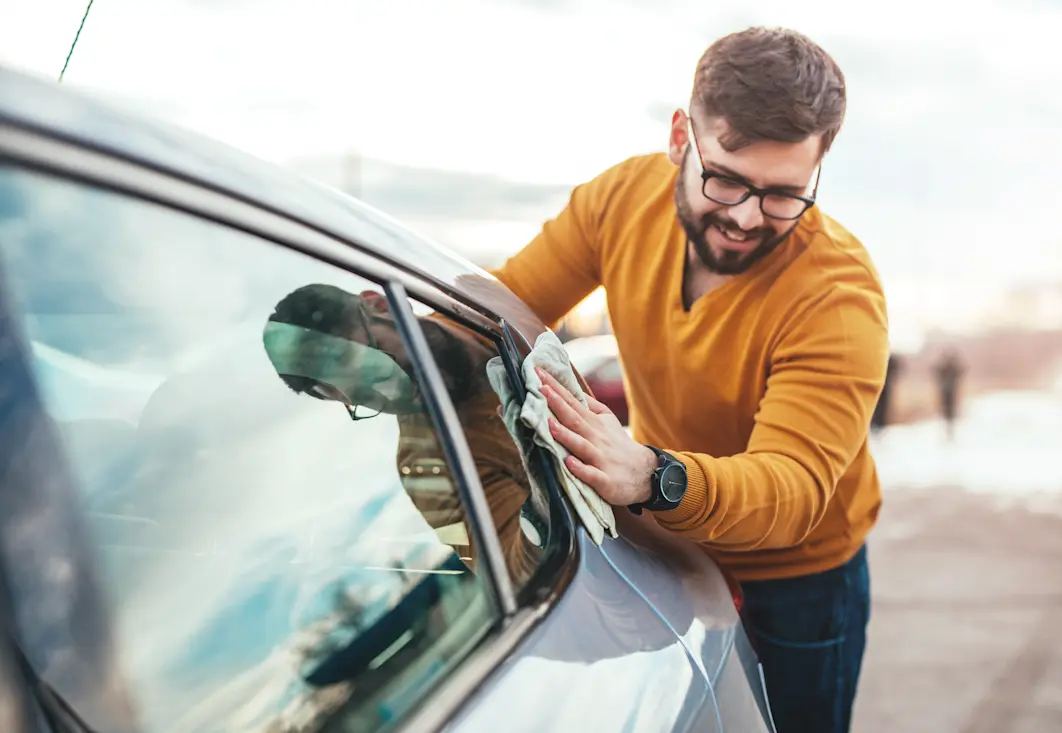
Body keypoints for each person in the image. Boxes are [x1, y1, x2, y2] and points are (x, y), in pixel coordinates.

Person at [491, 27, 887, 733]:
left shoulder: (838, 294)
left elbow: (791, 489)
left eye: (783, 195)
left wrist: (650, 475)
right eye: (726, 178)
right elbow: (506, 305)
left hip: (799, 575)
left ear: (818, 170)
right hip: (671, 540)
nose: (743, 217)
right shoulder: (620, 200)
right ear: (682, 135)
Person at [260, 283, 545, 586]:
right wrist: (544, 488)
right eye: (367, 399)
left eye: (381, 366)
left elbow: (589, 241)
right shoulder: (428, 467)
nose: (399, 395)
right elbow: (516, 573)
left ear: (382, 306)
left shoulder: (484, 305)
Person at [933, 347, 965, 441]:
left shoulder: (950, 366)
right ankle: (948, 422)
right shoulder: (947, 366)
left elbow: (962, 372)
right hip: (947, 390)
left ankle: (949, 422)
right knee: (948, 407)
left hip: (949, 390)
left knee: (949, 407)